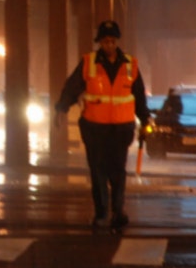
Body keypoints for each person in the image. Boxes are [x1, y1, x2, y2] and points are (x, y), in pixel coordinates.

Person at [53, 20, 151, 231]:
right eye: (105, 41)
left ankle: (118, 211)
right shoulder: (88, 63)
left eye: (112, 41)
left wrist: (145, 120)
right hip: (94, 128)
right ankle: (102, 213)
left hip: (121, 129)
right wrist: (61, 108)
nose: (109, 45)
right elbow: (72, 86)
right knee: (98, 172)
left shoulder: (130, 65)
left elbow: (139, 96)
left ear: (117, 41)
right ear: (100, 42)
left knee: (117, 171)